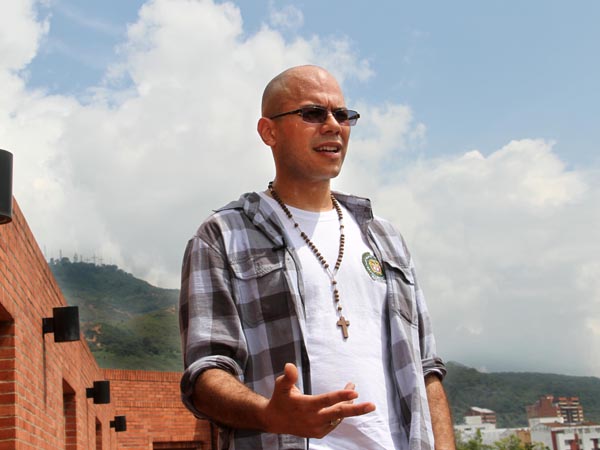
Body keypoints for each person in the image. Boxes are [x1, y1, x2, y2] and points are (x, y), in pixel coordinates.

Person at [179, 65, 455, 450]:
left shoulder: (385, 237)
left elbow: (427, 370)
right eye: (313, 113)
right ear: (269, 132)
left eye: (342, 115)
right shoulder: (223, 236)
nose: (333, 126)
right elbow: (206, 372)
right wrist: (268, 414)